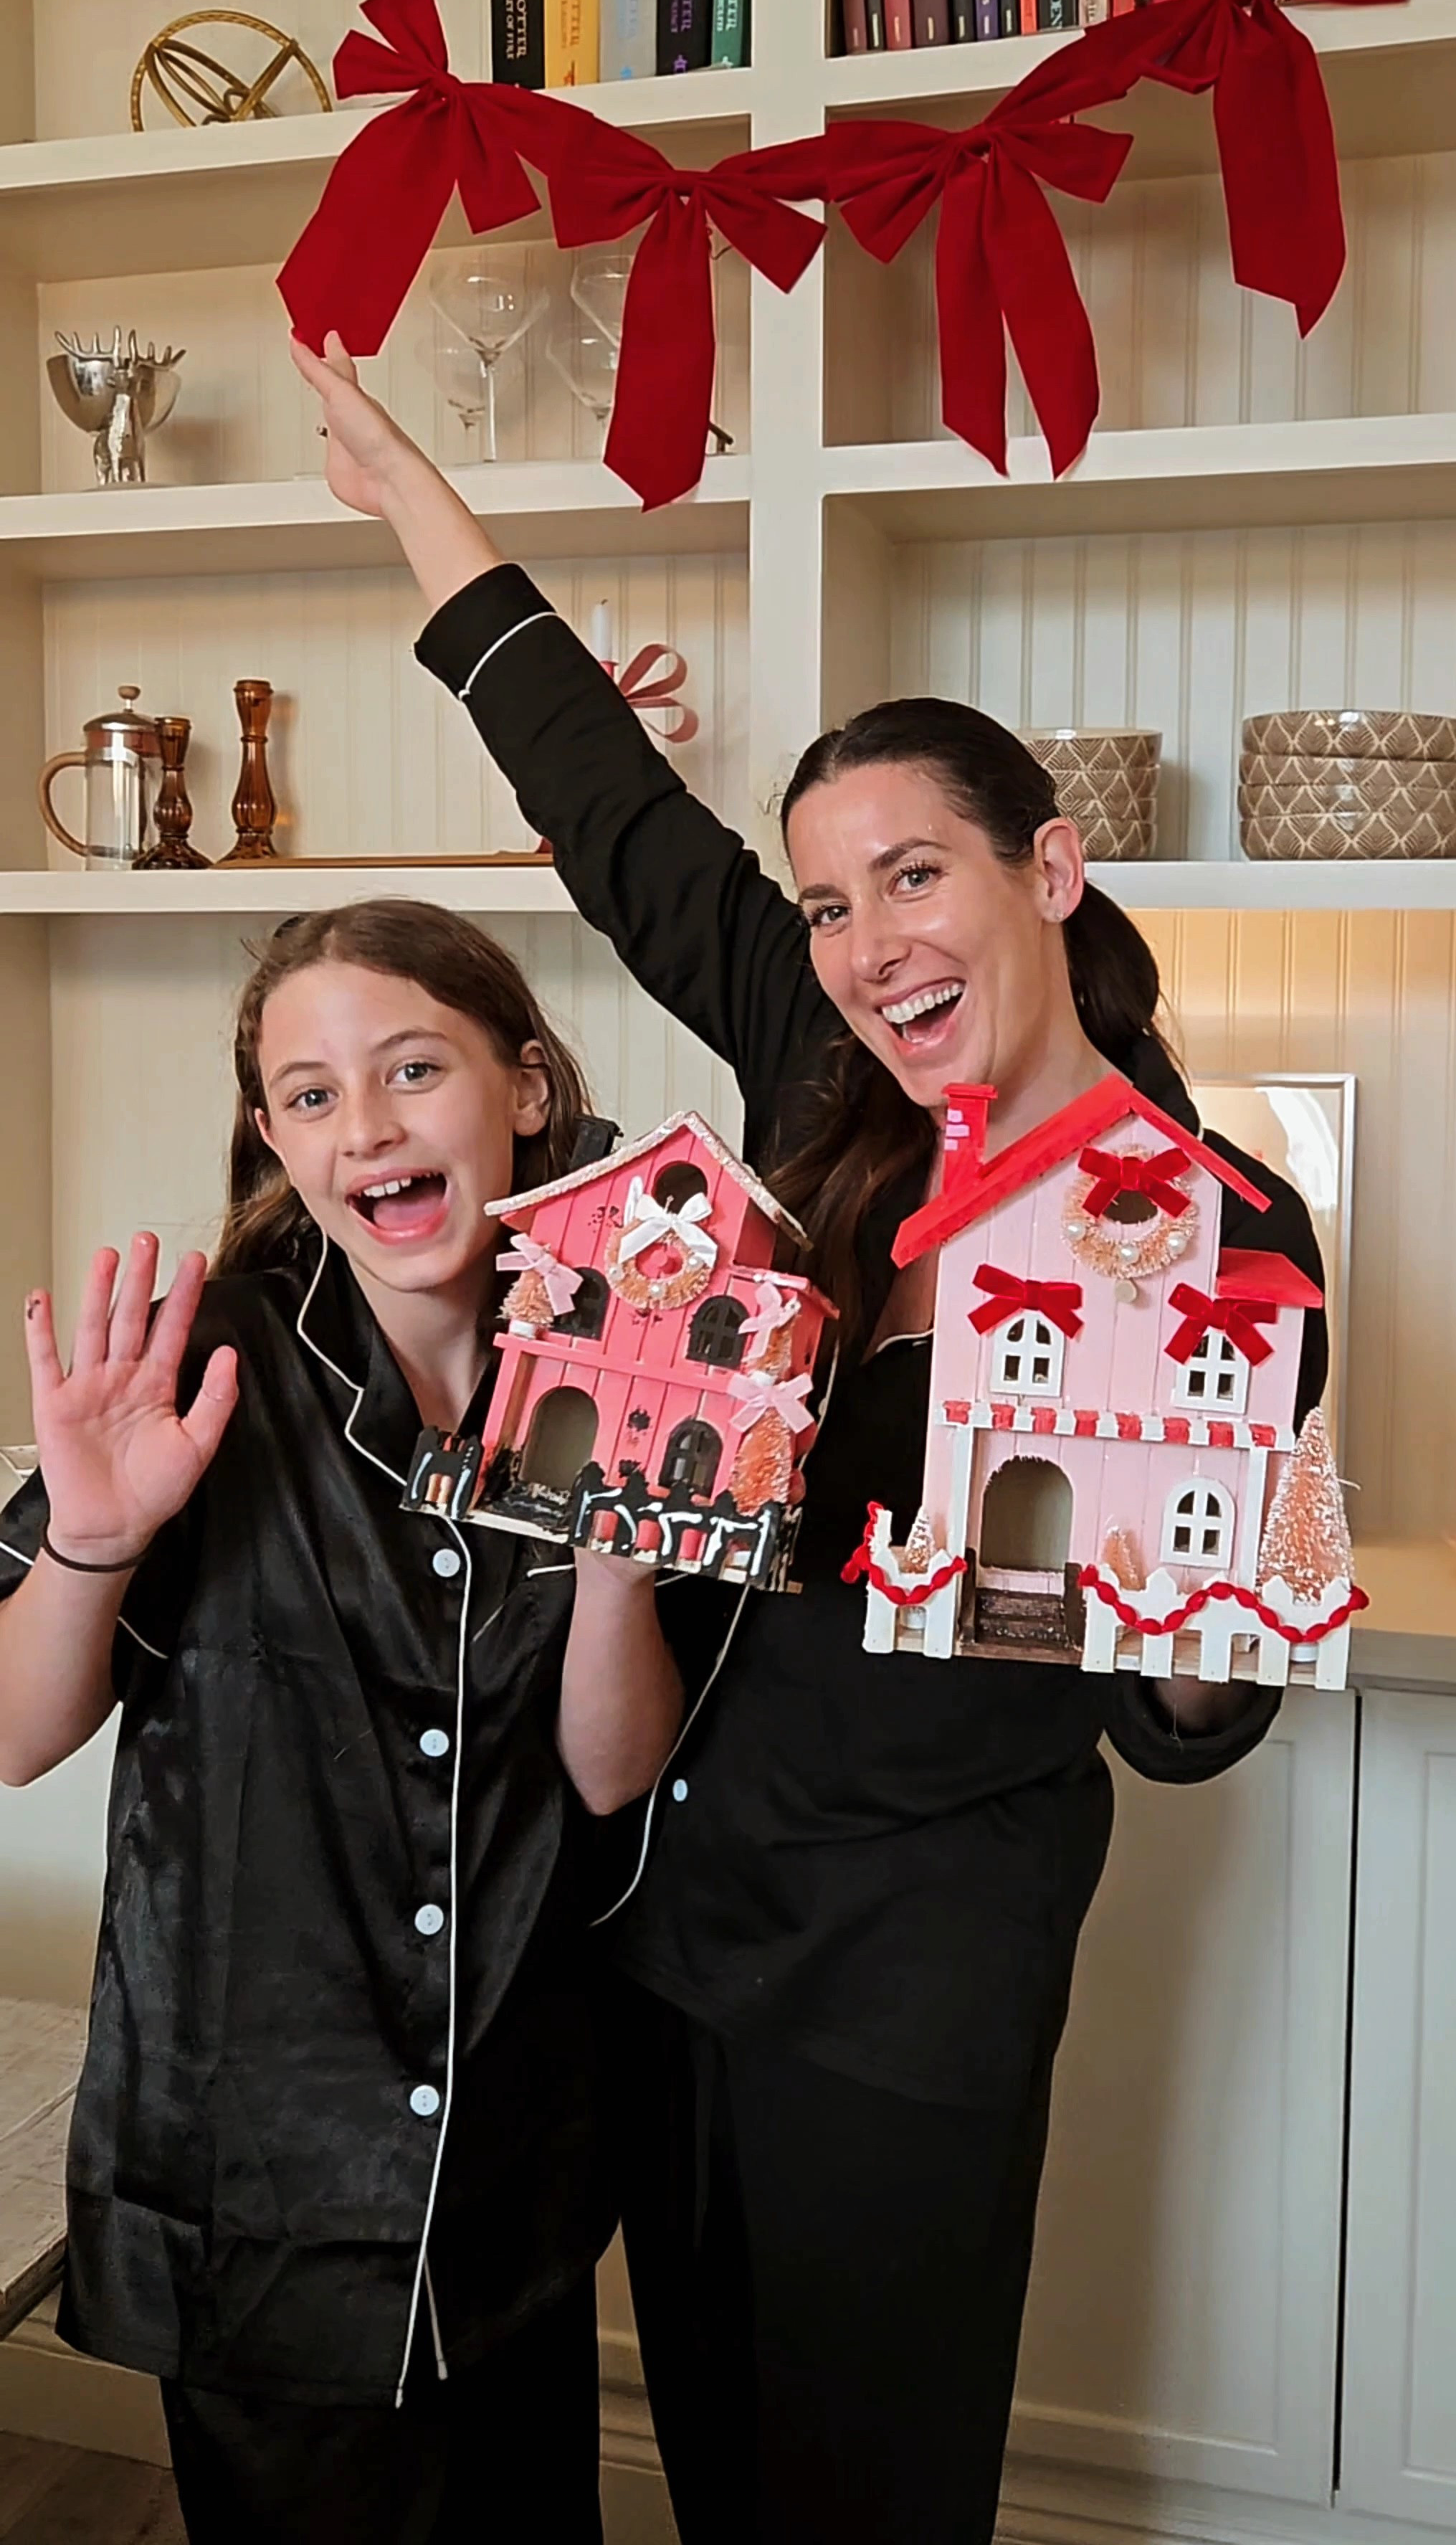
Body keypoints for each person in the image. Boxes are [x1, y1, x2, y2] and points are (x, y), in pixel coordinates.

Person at [294, 336, 1330, 2545]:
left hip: (920, 1981)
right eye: (832, 901)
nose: (865, 943)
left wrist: (1229, 1599)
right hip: (673, 1921)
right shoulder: (828, 1093)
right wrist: (419, 514)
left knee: (871, 2494)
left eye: (915, 878)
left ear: (1050, 872)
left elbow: (1177, 1725)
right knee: (715, 2474)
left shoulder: (1218, 1233)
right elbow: (616, 821)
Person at [0, 900, 683, 2545]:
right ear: (272, 1139)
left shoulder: (646, 1342)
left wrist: (611, 1560)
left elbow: (612, 1771)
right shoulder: (209, 1366)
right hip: (250, 2188)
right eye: (307, 1096)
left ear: (523, 1085)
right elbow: (13, 1736)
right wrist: (94, 1537)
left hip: (507, 2174)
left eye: (409, 1069)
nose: (363, 1127)